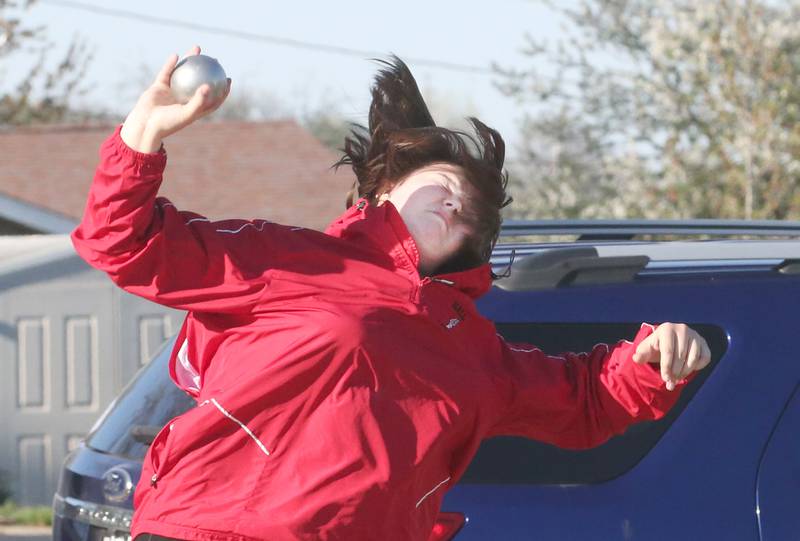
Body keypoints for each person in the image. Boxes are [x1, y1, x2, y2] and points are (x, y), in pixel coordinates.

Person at [72, 46, 712, 541]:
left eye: (471, 209)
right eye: (440, 183)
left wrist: (652, 359)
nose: (456, 199)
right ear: (382, 194)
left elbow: (586, 403)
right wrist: (142, 136)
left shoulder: (476, 353)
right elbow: (124, 243)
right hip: (211, 527)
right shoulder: (289, 259)